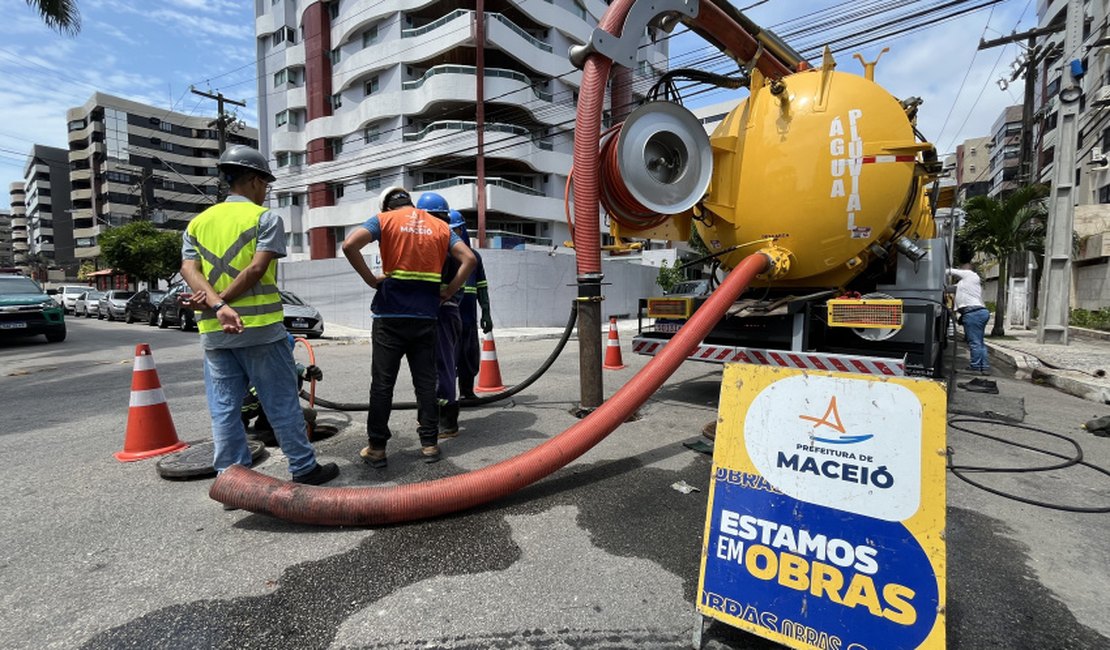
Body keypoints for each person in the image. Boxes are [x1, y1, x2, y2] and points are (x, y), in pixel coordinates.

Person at [180, 144, 339, 487]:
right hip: (260, 329)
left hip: (214, 332)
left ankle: (231, 478)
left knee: (224, 408)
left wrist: (216, 306)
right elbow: (256, 268)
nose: (265, 191)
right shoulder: (265, 219)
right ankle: (303, 468)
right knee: (280, 402)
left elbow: (188, 268)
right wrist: (223, 303)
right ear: (252, 181)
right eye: (265, 184)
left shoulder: (197, 223)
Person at [342, 186, 475, 467]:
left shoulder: (383, 220)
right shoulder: (439, 226)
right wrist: (449, 290)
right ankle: (429, 444)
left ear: (386, 206)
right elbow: (469, 259)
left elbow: (349, 245)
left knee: (382, 385)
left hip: (389, 316)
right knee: (425, 383)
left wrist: (369, 278)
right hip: (426, 317)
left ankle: (377, 448)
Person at [414, 193, 465, 438]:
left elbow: (470, 262)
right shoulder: (445, 240)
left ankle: (447, 422)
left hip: (442, 313)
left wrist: (447, 292)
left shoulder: (442, 242)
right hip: (444, 311)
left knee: (441, 365)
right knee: (438, 364)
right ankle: (436, 415)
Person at [452, 210, 494, 403]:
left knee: (469, 357)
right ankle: (445, 400)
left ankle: (467, 392)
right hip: (447, 319)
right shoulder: (442, 254)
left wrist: (486, 312)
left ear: (462, 230)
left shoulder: (474, 257)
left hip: (468, 319)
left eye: (456, 231)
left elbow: (482, 285)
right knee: (447, 359)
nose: (453, 235)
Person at [948, 262, 991, 373]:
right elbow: (950, 289)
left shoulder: (970, 275)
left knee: (975, 342)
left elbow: (949, 271)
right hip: (977, 312)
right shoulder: (964, 283)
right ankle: (984, 367)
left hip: (973, 313)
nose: (960, 270)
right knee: (979, 342)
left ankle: (975, 367)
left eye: (962, 268)